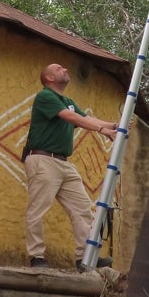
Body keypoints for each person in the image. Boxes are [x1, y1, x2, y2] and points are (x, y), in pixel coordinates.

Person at [21, 62, 117, 272]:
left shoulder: (68, 101)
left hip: (64, 163)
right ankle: (36, 256)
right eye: (58, 69)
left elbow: (85, 118)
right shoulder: (45, 96)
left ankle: (85, 258)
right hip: (43, 160)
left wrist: (114, 126)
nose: (64, 69)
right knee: (38, 209)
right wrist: (102, 130)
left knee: (82, 208)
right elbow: (70, 117)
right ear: (49, 78)